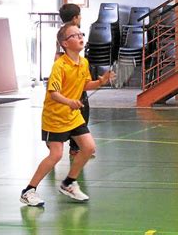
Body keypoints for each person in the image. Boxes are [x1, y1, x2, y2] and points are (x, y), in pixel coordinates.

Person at [20, 22, 115, 207]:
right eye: (74, 35)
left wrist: (100, 81)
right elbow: (53, 93)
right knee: (55, 155)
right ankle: (28, 191)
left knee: (88, 148)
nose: (80, 37)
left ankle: (69, 182)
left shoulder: (83, 62)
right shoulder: (60, 66)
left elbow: (85, 84)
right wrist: (70, 102)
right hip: (55, 117)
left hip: (73, 116)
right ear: (64, 43)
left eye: (81, 34)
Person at [58, 3, 88, 157]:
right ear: (75, 18)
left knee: (81, 114)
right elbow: (58, 58)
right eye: (79, 15)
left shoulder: (70, 33)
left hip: (77, 80)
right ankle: (69, 147)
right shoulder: (66, 35)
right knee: (73, 115)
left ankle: (75, 147)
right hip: (70, 85)